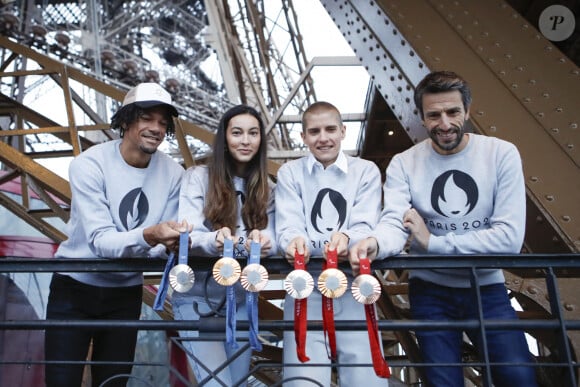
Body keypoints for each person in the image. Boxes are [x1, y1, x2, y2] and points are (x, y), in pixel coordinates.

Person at [349, 71, 538, 386]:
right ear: (422, 118)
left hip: (486, 289)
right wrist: (375, 244)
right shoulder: (404, 163)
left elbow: (509, 238)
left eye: (453, 112)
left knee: (517, 376)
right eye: (434, 115)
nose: (445, 123)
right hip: (430, 293)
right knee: (442, 382)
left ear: (468, 111)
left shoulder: (501, 154)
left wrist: (433, 242)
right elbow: (395, 221)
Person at [45, 82, 187, 387]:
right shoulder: (89, 164)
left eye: (163, 122)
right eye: (147, 118)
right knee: (61, 380)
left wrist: (162, 241)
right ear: (125, 120)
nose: (156, 128)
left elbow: (169, 243)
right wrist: (151, 235)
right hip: (74, 288)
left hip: (126, 291)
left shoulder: (174, 173)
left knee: (114, 382)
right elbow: (101, 241)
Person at [276, 101, 386, 386]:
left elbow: (365, 223)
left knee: (365, 378)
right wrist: (291, 241)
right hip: (304, 286)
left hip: (355, 285)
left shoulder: (366, 171)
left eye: (330, 129)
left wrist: (348, 237)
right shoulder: (290, 173)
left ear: (343, 131)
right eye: (314, 131)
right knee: (303, 378)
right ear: (303, 137)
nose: (322, 138)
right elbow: (287, 225)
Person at [171, 104, 276, 386]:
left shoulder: (266, 187)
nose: (245, 140)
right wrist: (221, 241)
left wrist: (248, 242)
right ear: (224, 139)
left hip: (240, 300)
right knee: (219, 383)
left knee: (238, 382)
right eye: (237, 133)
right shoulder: (198, 177)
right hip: (196, 299)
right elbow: (189, 233)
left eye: (253, 133)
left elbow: (273, 240)